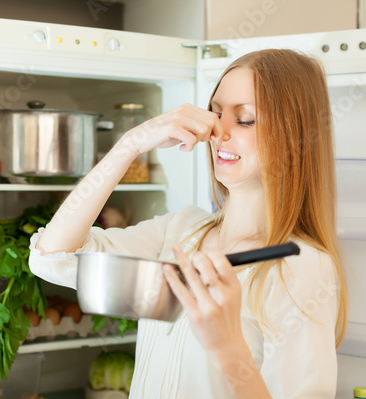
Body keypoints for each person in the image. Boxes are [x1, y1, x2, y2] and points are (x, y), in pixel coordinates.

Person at [28, 49, 347, 398]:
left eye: (245, 120)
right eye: (216, 113)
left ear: (293, 138)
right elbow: (51, 258)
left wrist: (229, 350)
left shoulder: (300, 266)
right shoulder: (181, 231)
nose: (217, 132)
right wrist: (131, 144)